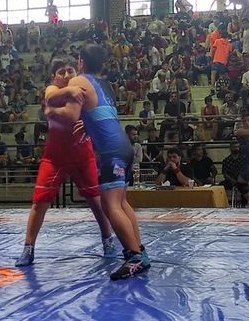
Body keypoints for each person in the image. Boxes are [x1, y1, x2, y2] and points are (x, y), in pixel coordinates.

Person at [48, 44, 150, 280]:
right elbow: (97, 113)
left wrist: (51, 111)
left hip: (111, 152)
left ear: (81, 62)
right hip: (124, 146)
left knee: (110, 206)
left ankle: (134, 257)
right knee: (121, 203)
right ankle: (139, 251)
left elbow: (70, 115)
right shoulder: (106, 84)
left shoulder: (79, 81)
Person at [15, 55, 115, 267]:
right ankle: (28, 247)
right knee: (40, 201)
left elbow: (80, 115)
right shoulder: (54, 89)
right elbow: (51, 96)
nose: (67, 75)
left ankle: (108, 239)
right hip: (55, 156)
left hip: (82, 154)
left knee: (95, 201)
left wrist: (80, 120)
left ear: (77, 72)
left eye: (70, 71)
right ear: (54, 76)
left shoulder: (83, 90)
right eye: (61, 72)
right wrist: (69, 92)